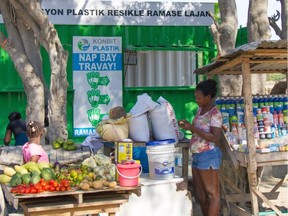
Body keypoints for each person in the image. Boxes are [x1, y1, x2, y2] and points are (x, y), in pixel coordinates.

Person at [178, 79, 222, 216]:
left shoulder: (215, 114)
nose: (196, 100)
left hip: (208, 155)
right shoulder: (200, 110)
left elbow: (215, 137)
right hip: (197, 155)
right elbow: (198, 130)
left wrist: (192, 127)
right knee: (201, 195)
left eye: (199, 98)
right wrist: (188, 126)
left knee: (212, 194)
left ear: (208, 97)